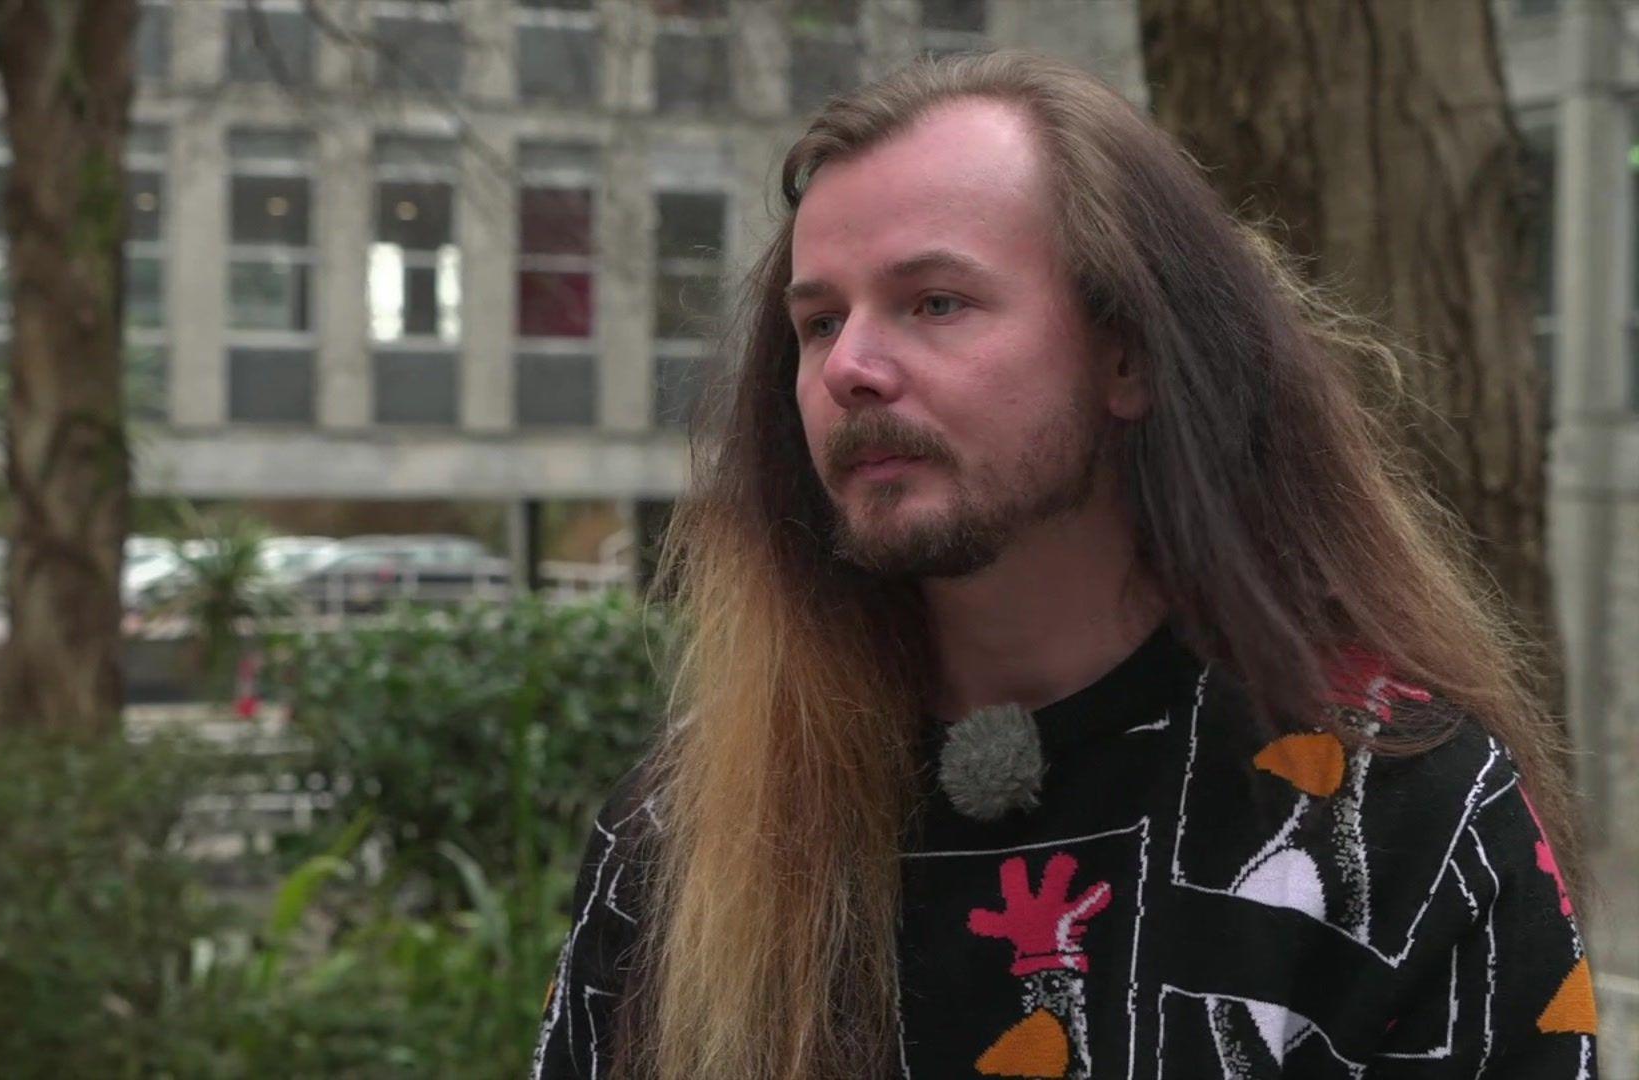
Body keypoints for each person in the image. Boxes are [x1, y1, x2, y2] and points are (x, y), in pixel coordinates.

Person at [533, 51, 1597, 1079]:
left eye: (934, 302)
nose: (850, 367)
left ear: (1128, 353)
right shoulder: (690, 835)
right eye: (818, 323)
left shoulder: (1394, 808)